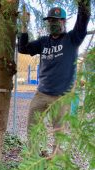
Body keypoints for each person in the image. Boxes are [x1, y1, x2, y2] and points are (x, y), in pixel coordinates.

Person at [18, 1, 91, 148]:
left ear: (63, 21)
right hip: (41, 95)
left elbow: (82, 20)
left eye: (56, 20)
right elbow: (23, 48)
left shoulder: (72, 38)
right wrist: (24, 26)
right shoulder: (44, 41)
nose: (52, 23)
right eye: (50, 20)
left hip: (62, 97)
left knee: (60, 135)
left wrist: (83, 3)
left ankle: (56, 168)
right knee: (32, 130)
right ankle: (33, 164)